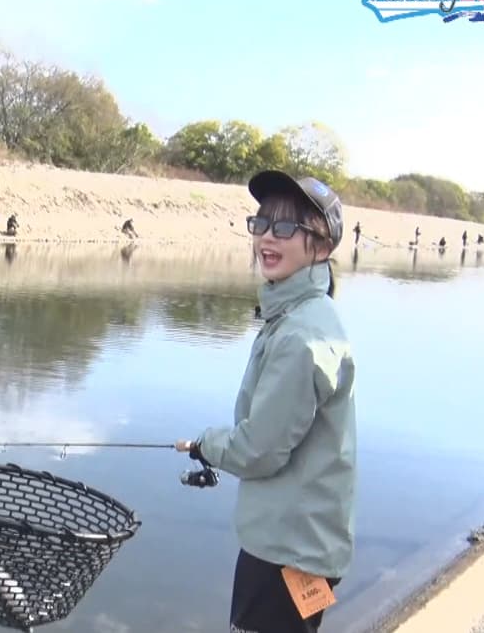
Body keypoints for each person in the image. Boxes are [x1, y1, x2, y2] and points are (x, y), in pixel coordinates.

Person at [174, 169, 357, 633]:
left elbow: (259, 450)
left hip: (286, 551)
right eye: (262, 223)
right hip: (304, 542)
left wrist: (208, 443)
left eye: (287, 227)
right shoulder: (307, 313)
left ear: (322, 245)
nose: (267, 238)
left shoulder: (300, 335)